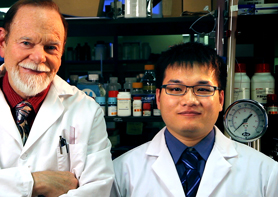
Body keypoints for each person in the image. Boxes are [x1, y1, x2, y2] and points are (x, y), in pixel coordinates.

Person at [0, 0, 114, 196]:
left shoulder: (86, 110)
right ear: (2, 42)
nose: (38, 57)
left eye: (51, 47)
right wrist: (34, 182)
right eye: (26, 43)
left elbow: (97, 191)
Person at [111, 42, 278, 197]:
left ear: (220, 99)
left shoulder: (266, 173)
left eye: (203, 89)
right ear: (158, 98)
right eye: (176, 88)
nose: (190, 100)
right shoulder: (122, 173)